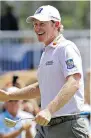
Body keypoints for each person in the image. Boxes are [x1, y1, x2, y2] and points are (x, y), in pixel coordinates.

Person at [0, 5, 89, 138]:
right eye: (35, 24)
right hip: (47, 126)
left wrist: (48, 110)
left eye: (42, 24)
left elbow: (73, 82)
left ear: (56, 24)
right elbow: (41, 87)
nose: (37, 28)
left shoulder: (66, 48)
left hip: (68, 126)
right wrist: (9, 96)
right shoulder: (47, 52)